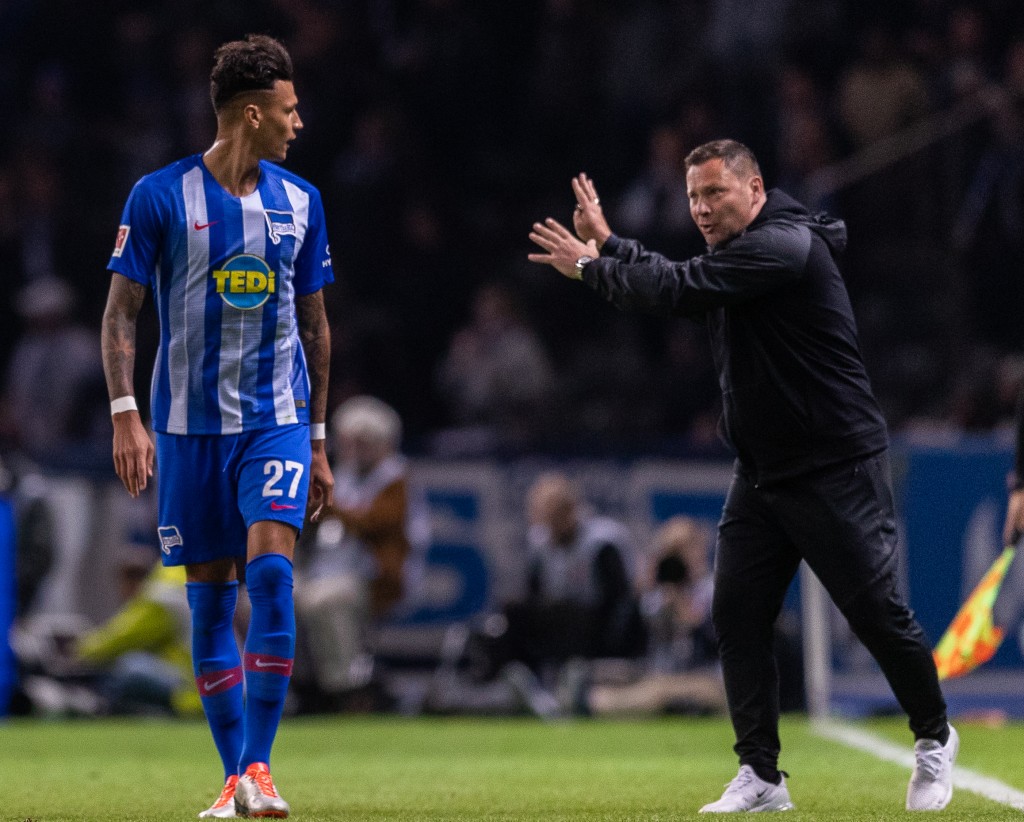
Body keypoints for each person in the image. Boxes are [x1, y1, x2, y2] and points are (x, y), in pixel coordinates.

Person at [528, 139, 956, 813]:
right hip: (762, 472)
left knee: (876, 616)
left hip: (833, 467)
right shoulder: (739, 254)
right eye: (693, 196)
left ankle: (934, 736)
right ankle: (761, 773)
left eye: (714, 193)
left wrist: (590, 266)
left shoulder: (783, 247)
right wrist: (608, 244)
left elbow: (680, 288)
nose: (701, 208)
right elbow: (684, 279)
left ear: (754, 190)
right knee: (736, 616)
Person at [101, 34, 334, 819]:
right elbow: (121, 314)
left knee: (270, 578)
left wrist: (319, 438)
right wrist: (126, 416)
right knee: (208, 603)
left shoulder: (301, 202)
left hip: (275, 420)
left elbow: (315, 326)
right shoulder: (159, 196)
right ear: (252, 113)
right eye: (289, 110)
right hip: (186, 428)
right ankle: (235, 779)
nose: (299, 123)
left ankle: (260, 767)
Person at [294, 395, 429, 710]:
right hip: (327, 570)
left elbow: (376, 522)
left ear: (384, 443)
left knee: (327, 599)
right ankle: (299, 683)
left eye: (362, 443)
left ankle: (346, 686)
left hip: (377, 577)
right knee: (275, 596)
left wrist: (328, 506)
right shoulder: (341, 475)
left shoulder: (396, 479)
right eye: (349, 442)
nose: (354, 450)